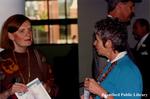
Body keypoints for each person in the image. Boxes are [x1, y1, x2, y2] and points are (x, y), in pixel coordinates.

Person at [0, 14, 58, 99]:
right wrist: (8, 92)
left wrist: (47, 89)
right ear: (11, 36)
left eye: (30, 29)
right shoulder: (2, 60)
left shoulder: (39, 56)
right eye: (22, 31)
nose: (28, 34)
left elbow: (55, 89)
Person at [82, 18, 143, 99]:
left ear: (108, 43)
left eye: (97, 40)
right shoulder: (112, 64)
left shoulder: (128, 70)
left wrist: (100, 92)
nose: (94, 43)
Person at [93, 0, 136, 79]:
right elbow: (102, 67)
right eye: (131, 7)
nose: (133, 10)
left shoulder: (117, 27)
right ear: (119, 6)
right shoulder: (106, 29)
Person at [132, 18, 150, 98]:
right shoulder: (139, 43)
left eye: (136, 27)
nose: (133, 31)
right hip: (141, 82)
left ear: (144, 27)